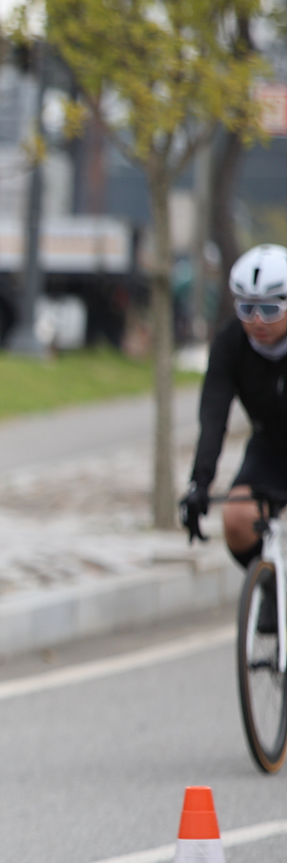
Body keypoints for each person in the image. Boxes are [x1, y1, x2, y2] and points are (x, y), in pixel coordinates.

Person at [180, 246, 287, 599]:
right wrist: (199, 482)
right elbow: (213, 417)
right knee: (237, 519)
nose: (257, 321)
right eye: (246, 308)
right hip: (269, 447)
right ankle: (270, 593)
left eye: (270, 309)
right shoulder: (230, 344)